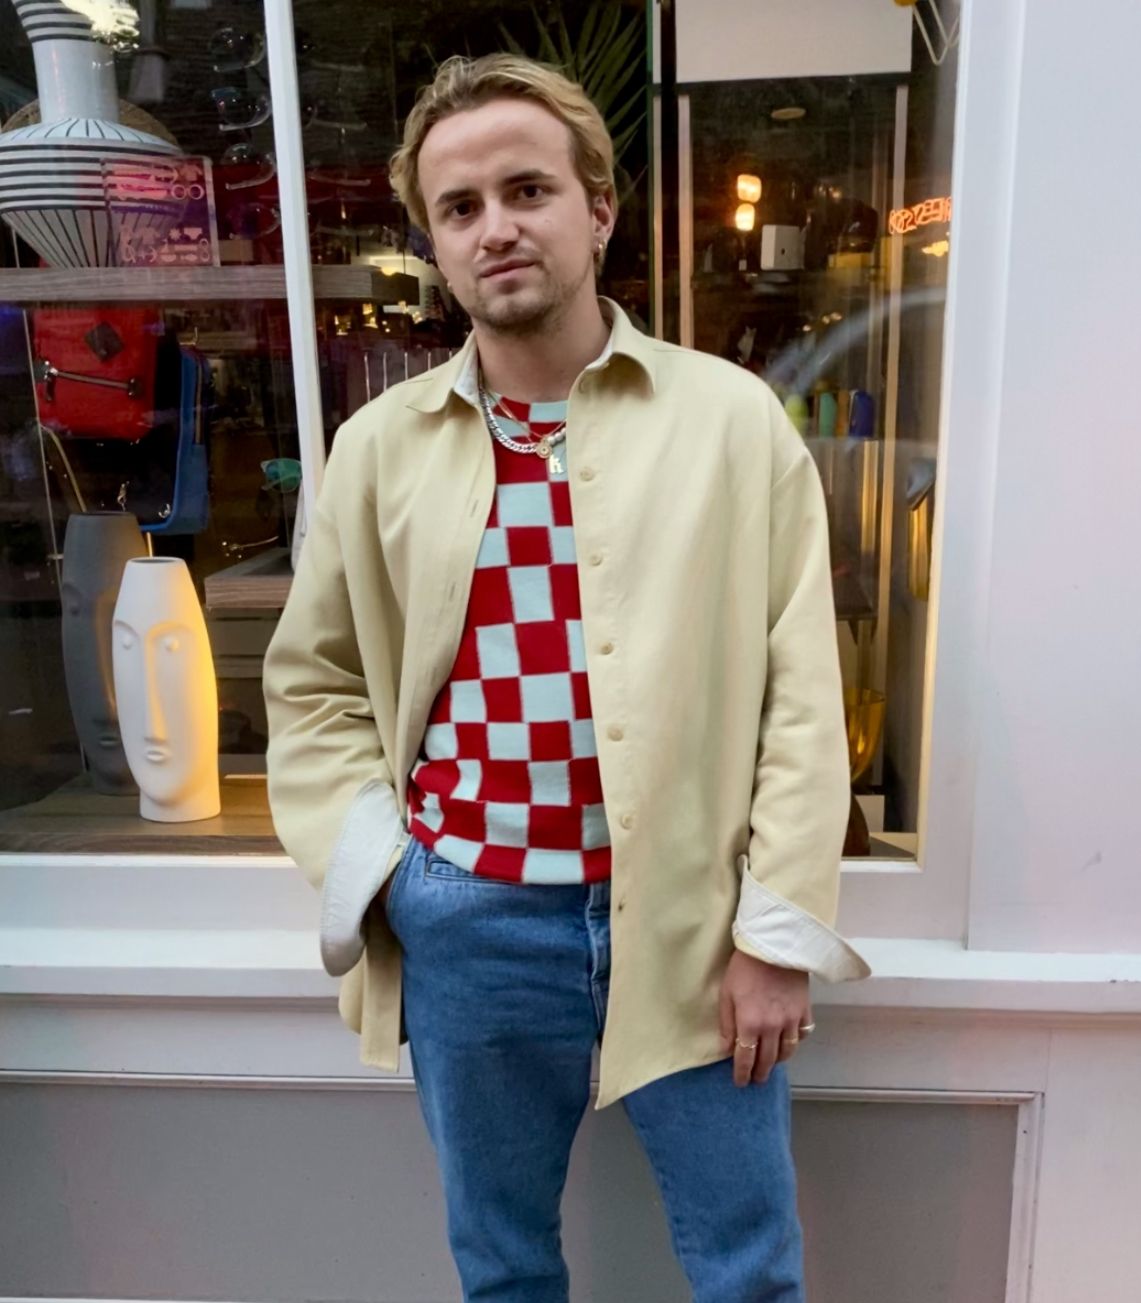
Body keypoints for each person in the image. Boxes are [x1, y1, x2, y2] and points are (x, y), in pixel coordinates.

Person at [263, 51, 870, 1303]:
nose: (497, 228)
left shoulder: (731, 423)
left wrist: (775, 931)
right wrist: (387, 878)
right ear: (434, 243)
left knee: (749, 1271)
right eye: (461, 208)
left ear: (599, 207)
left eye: (528, 190)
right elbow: (312, 688)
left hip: (698, 928)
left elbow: (802, 696)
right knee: (503, 1269)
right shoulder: (378, 452)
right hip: (468, 923)